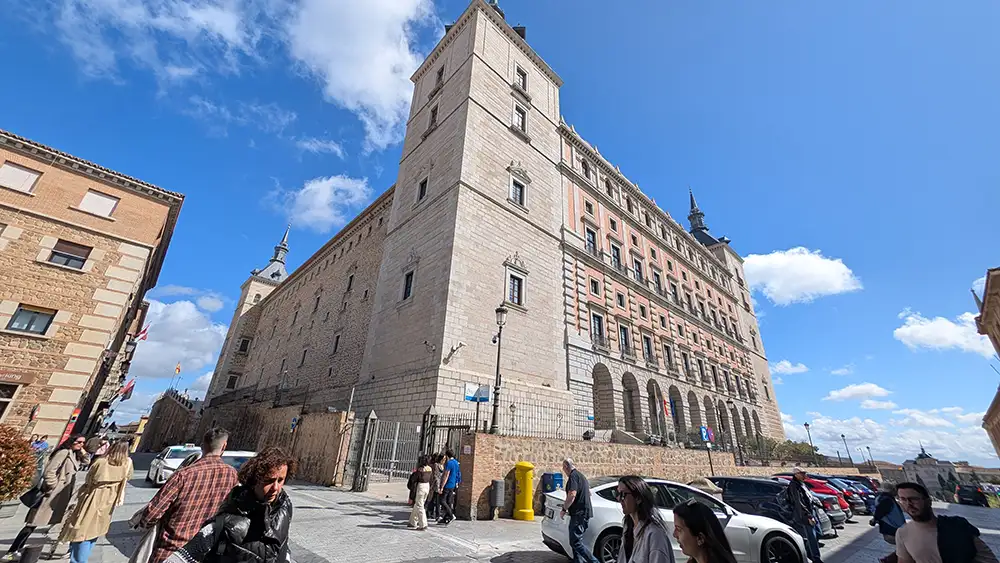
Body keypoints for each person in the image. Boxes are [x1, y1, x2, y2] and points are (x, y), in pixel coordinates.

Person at [164, 447, 296, 563]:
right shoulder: (227, 522)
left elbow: (283, 543)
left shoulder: (284, 507)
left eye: (281, 480)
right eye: (269, 481)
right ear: (256, 478)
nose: (276, 488)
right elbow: (181, 557)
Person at [139, 427, 239, 563]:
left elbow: (151, 514)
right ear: (224, 446)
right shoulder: (232, 475)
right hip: (205, 552)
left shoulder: (183, 475)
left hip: (172, 553)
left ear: (202, 445)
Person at [6, 434, 88, 557]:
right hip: (52, 493)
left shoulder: (74, 454)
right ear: (72, 441)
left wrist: (82, 449)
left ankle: (17, 549)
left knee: (36, 522)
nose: (81, 444)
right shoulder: (64, 452)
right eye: (79, 442)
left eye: (83, 443)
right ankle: (13, 550)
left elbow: (87, 461)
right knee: (32, 522)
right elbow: (50, 471)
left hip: (61, 494)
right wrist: (53, 486)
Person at [59, 441, 133, 563]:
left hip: (93, 495)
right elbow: (128, 477)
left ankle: (77, 559)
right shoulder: (127, 463)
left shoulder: (101, 462)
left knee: (82, 527)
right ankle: (80, 556)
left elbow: (89, 478)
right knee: (96, 528)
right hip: (111, 498)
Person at [895, 482, 998, 563]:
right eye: (903, 500)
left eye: (913, 499)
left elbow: (987, 558)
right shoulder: (902, 533)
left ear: (928, 501)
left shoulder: (957, 526)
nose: (909, 504)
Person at [613, 476, 674, 563]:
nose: (619, 499)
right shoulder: (629, 527)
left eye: (623, 495)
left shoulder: (654, 535)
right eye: (617, 494)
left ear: (638, 498)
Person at [561, 459, 599, 563]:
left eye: (563, 468)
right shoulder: (581, 476)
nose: (563, 470)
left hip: (579, 514)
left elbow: (572, 494)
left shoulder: (573, 477)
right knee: (575, 542)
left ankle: (594, 561)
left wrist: (564, 508)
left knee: (575, 542)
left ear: (566, 467)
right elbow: (589, 493)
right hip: (583, 513)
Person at [785, 467, 823, 563]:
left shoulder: (802, 484)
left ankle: (807, 553)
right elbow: (799, 503)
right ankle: (815, 559)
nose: (804, 475)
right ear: (796, 474)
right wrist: (808, 516)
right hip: (805, 515)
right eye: (802, 473)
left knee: (818, 534)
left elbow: (809, 497)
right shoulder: (794, 486)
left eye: (805, 473)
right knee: (812, 537)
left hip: (812, 511)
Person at [870, 483, 905, 563]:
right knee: (907, 547)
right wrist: (874, 519)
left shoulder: (884, 498)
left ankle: (888, 560)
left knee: (905, 547)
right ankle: (888, 560)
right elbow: (880, 512)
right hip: (893, 529)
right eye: (895, 490)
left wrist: (875, 519)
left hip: (893, 529)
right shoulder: (886, 500)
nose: (896, 493)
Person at [408, 455, 432, 531]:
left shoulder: (420, 470)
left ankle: (423, 524)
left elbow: (414, 479)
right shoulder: (430, 469)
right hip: (427, 486)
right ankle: (412, 522)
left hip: (421, 487)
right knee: (418, 504)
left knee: (419, 505)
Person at [438, 449, 461, 525]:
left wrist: (441, 486)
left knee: (442, 501)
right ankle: (446, 518)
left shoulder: (449, 463)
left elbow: (446, 475)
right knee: (449, 501)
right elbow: (458, 473)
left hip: (448, 484)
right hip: (453, 484)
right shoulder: (456, 463)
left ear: (447, 456)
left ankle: (451, 515)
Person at [426, 454, 443, 521]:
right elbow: (435, 476)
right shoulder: (436, 465)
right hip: (436, 485)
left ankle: (430, 512)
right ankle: (436, 514)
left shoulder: (443, 466)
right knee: (436, 500)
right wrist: (438, 486)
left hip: (440, 484)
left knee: (433, 499)